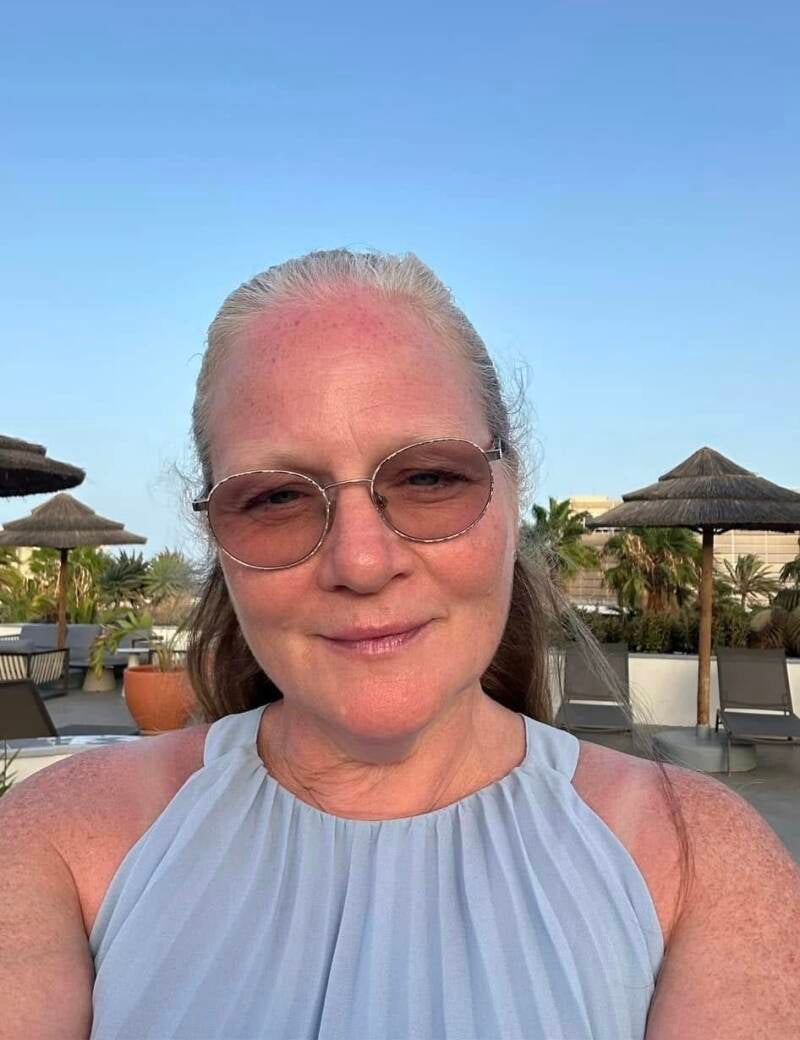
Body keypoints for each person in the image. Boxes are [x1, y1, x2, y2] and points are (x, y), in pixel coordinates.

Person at [2, 249, 799, 1040]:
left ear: (513, 491)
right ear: (218, 533)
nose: (360, 562)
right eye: (276, 498)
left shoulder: (702, 864)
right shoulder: (58, 838)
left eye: (429, 479)